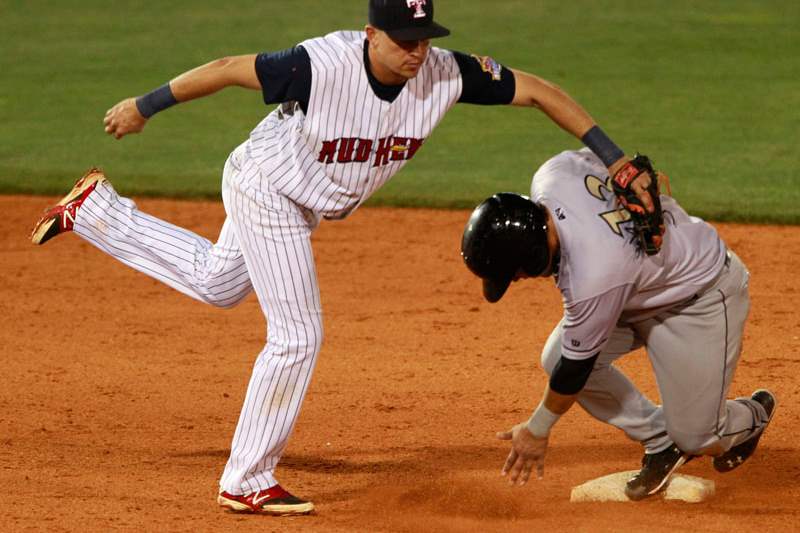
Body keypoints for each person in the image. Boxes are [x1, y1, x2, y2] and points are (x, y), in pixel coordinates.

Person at [32, 0, 655, 515]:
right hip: (266, 186)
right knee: (298, 335)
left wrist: (615, 157)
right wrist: (144, 107)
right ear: (371, 34)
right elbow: (226, 67)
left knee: (219, 283)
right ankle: (246, 479)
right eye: (403, 39)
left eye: (424, 38)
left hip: (303, 202)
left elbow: (540, 91)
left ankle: (96, 212)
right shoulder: (318, 64)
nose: (416, 52)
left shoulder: (444, 72)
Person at [460, 148, 777, 500]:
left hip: (698, 298)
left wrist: (537, 430)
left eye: (515, 274)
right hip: (635, 292)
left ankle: (752, 415)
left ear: (529, 254)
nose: (519, 279)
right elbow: (611, 161)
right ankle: (660, 440)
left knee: (700, 436)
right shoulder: (553, 173)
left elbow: (574, 371)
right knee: (555, 358)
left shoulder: (591, 275)